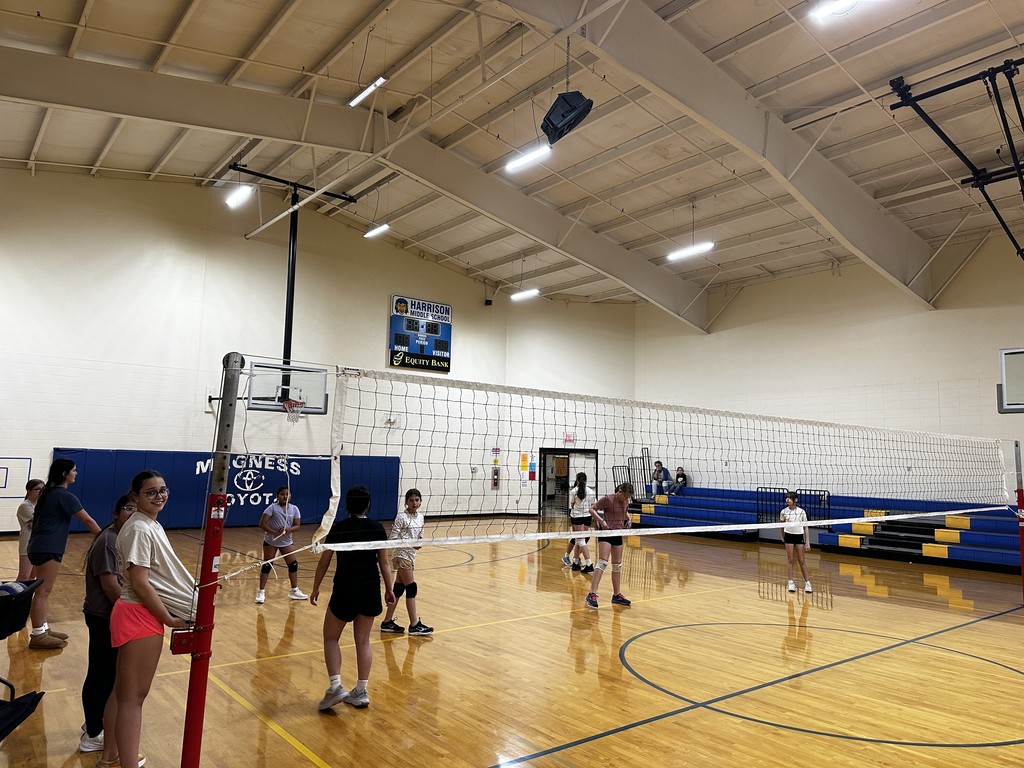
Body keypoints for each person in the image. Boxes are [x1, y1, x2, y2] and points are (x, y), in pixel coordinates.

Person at [111, 470, 197, 768]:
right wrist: (169, 619)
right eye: (151, 492)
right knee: (133, 699)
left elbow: (157, 576)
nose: (159, 496)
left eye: (163, 490)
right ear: (135, 497)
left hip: (138, 614)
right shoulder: (139, 529)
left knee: (124, 695)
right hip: (139, 615)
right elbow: (140, 582)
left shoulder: (150, 524)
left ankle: (112, 756)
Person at [310, 485, 395, 711]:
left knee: (330, 638)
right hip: (368, 589)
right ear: (368, 504)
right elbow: (384, 562)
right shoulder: (377, 528)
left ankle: (336, 686)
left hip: (345, 590)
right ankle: (361, 690)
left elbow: (324, 561)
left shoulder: (338, 528)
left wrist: (315, 588)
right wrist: (389, 588)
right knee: (363, 641)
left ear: (347, 504)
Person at [80, 495, 136, 757]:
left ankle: (95, 722)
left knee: (107, 675)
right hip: (103, 616)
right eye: (128, 509)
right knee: (102, 675)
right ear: (116, 512)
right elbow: (111, 586)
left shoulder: (121, 537)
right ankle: (93, 734)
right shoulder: (109, 541)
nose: (132, 514)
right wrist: (135, 612)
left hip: (109, 615)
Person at [27, 458, 102, 650]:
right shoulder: (65, 496)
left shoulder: (48, 492)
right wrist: (106, 540)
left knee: (42, 591)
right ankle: (38, 635)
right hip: (48, 547)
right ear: (64, 474)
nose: (76, 473)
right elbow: (88, 521)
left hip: (38, 545)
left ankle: (43, 628)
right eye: (74, 471)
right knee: (43, 591)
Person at [380, 488, 434, 635]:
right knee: (411, 588)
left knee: (398, 589)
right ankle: (414, 624)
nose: (414, 503)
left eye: (417, 500)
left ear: (420, 502)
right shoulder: (401, 517)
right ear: (406, 503)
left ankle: (387, 622)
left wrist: (418, 543)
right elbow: (393, 539)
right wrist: (409, 542)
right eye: (411, 500)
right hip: (401, 554)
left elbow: (420, 538)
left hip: (411, 555)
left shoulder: (421, 518)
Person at [585, 482, 635, 609]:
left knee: (617, 565)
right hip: (606, 533)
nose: (626, 499)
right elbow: (591, 509)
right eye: (625, 496)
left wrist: (629, 519)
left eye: (628, 497)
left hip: (618, 533)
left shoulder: (625, 502)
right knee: (602, 562)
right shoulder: (608, 498)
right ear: (620, 491)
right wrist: (601, 521)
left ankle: (616, 595)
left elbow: (624, 512)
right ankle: (592, 593)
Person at [254, 487, 307, 604]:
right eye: (282, 494)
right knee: (267, 565)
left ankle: (294, 591)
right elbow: (261, 524)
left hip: (286, 541)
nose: (285, 496)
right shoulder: (272, 508)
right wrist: (273, 532)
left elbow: (297, 525)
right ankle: (261, 592)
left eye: (287, 494)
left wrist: (288, 529)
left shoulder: (294, 509)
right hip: (271, 541)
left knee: (293, 565)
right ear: (277, 496)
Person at [780, 492, 812, 594]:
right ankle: (790, 582)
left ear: (795, 500)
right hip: (788, 535)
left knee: (801, 560)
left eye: (790, 498)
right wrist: (782, 537)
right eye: (787, 498)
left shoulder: (801, 512)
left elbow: (806, 527)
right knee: (790, 559)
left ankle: (807, 583)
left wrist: (807, 542)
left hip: (799, 536)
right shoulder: (784, 511)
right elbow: (781, 526)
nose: (787, 500)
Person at [564, 473, 596, 574]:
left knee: (580, 540)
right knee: (579, 540)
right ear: (586, 480)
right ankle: (575, 562)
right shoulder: (591, 491)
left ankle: (589, 564)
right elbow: (593, 505)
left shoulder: (574, 491)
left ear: (577, 480)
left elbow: (572, 504)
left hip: (577, 517)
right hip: (587, 517)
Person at [16, 479, 43, 581]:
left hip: (37, 544)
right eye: (37, 489)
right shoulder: (25, 506)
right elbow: (41, 522)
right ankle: (12, 596)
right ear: (29, 491)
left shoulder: (39, 506)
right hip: (27, 544)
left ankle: (28, 597)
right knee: (24, 576)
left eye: (42, 489)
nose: (40, 492)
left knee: (32, 576)